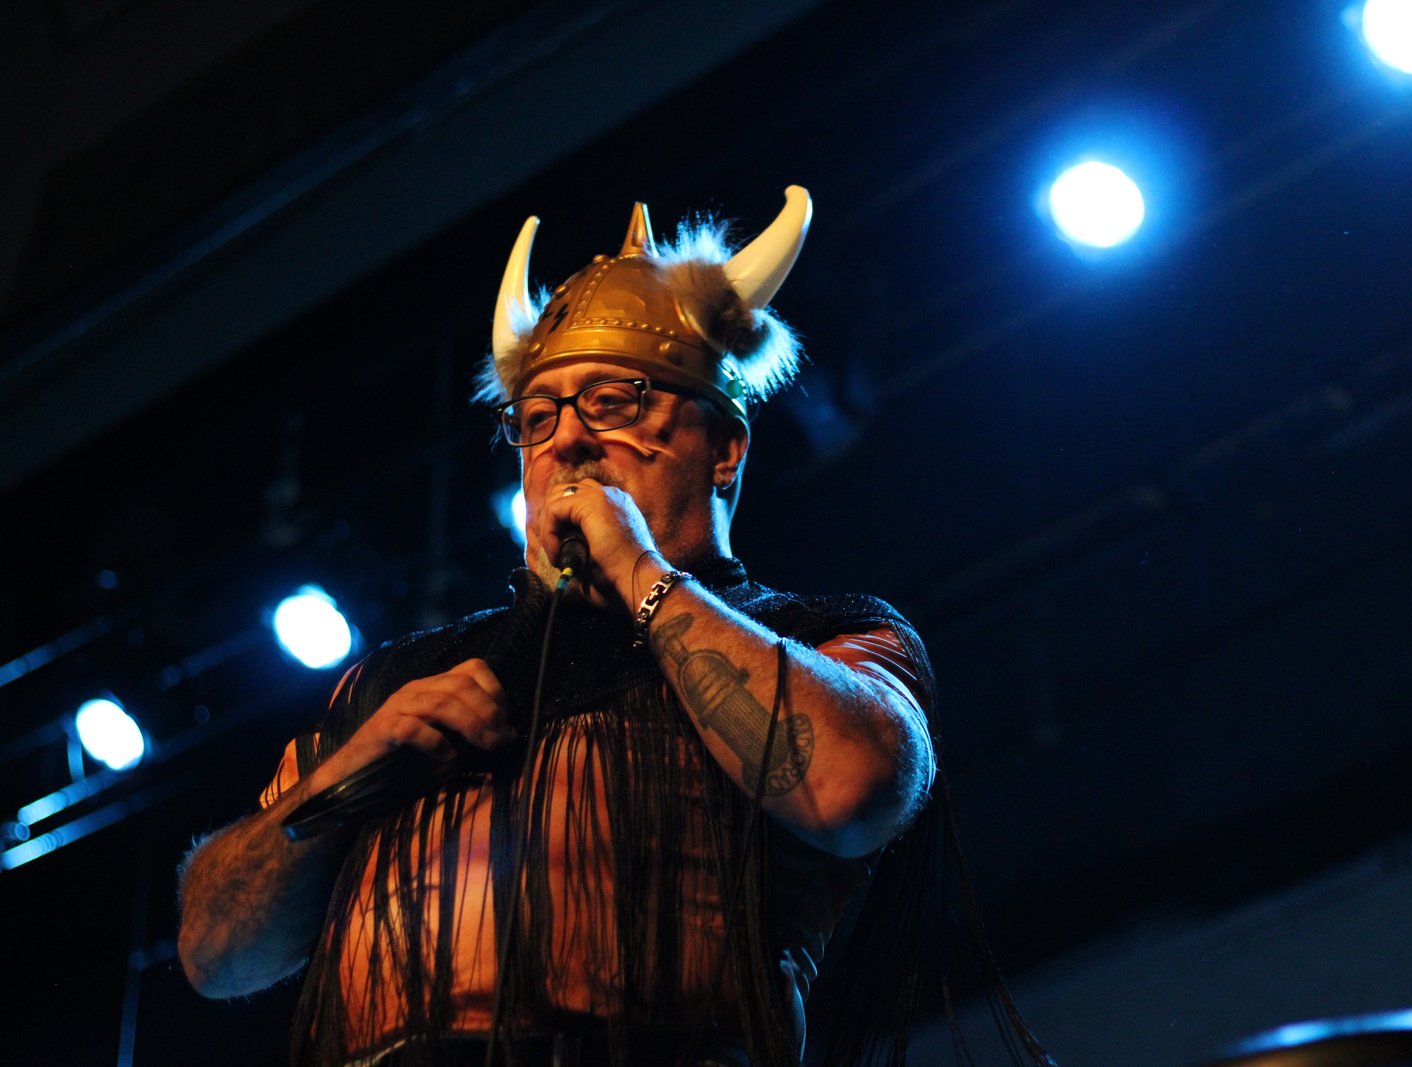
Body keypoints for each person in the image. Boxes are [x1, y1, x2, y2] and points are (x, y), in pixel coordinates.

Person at [177, 187, 1051, 1067]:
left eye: (612, 402)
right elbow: (213, 952)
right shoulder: (397, 682)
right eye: (537, 417)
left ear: (725, 450)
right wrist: (344, 776)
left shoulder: (823, 635)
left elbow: (852, 788)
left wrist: (637, 570)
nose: (564, 442)